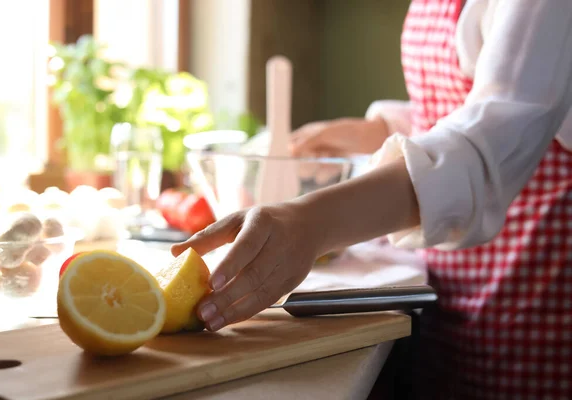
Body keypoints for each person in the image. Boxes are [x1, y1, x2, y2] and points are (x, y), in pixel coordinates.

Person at [172, 0, 572, 398]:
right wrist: (377, 130)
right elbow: (468, 99)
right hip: (449, 292)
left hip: (534, 292)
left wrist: (311, 223)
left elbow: (496, 140)